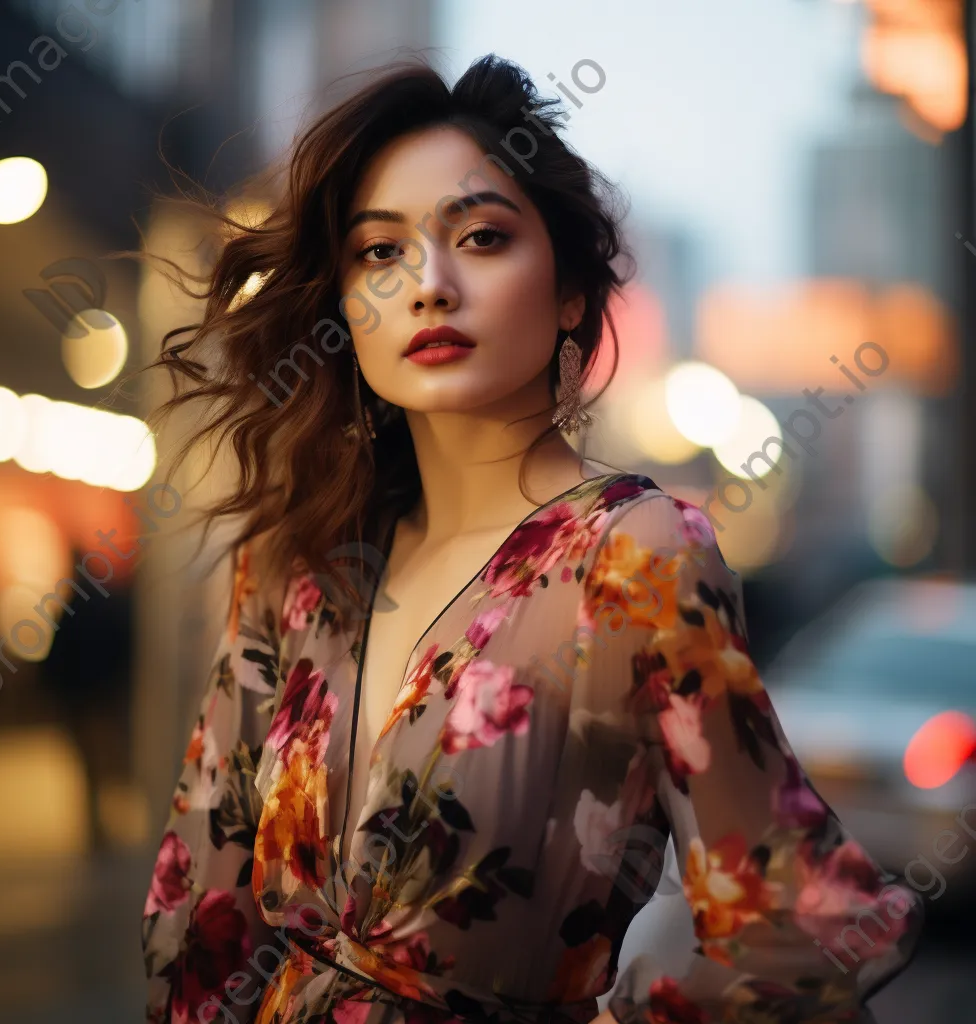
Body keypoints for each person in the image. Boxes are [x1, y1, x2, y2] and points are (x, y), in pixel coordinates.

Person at [139, 54, 923, 1024]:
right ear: (343, 306)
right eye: (378, 252)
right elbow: (197, 904)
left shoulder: (631, 556)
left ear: (565, 293)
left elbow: (789, 930)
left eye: (479, 235)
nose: (427, 283)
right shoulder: (298, 562)